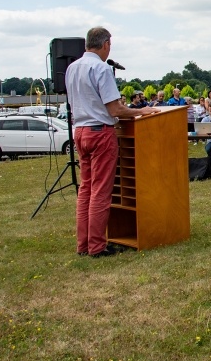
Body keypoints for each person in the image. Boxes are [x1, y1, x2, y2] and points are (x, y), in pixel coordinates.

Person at [65, 27, 159, 258]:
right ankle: (97, 246)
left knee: (85, 189)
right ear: (106, 44)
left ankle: (83, 244)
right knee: (100, 191)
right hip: (100, 133)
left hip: (80, 131)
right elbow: (115, 108)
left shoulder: (71, 68)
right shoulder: (101, 68)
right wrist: (142, 111)